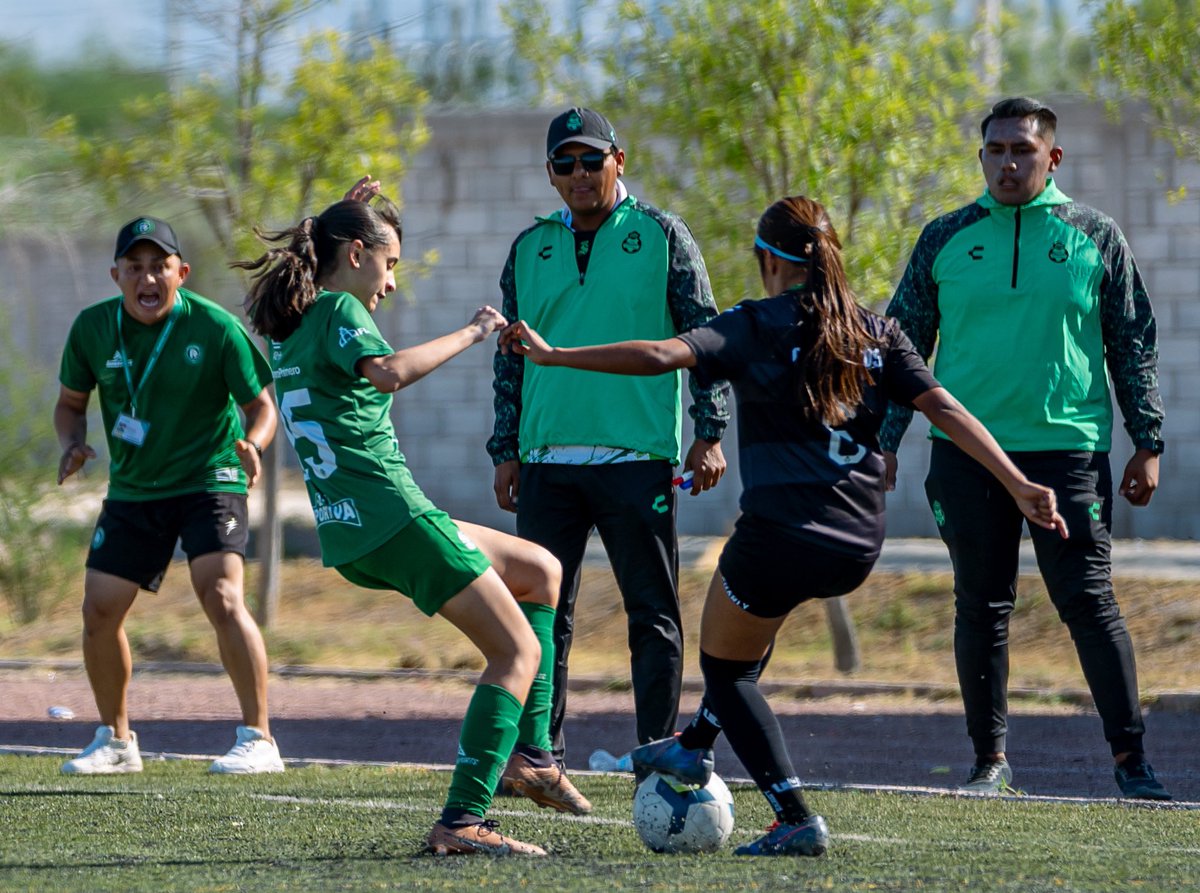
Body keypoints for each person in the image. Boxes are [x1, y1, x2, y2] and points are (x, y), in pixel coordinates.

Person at [500, 195, 1067, 856]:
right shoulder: (877, 331)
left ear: (769, 261)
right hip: (858, 541)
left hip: (777, 539)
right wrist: (1018, 481)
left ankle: (791, 813)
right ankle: (691, 746)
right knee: (748, 643)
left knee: (725, 670)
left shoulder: (752, 324)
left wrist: (556, 354)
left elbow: (660, 354)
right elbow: (945, 408)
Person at [237, 193, 589, 858]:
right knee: (518, 653)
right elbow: (390, 373)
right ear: (356, 254)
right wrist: (476, 330)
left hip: (353, 530)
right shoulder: (340, 308)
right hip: (391, 516)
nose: (391, 282)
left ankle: (532, 757)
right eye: (389, 263)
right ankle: (462, 819)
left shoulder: (295, 327)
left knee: (541, 570)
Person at [879, 97, 1170, 800]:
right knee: (980, 604)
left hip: (1067, 451)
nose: (1009, 164)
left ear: (1052, 158)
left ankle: (1132, 762)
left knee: (1088, 600)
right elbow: (900, 346)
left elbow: (1131, 342)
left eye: (1023, 151)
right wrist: (882, 442)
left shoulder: (1095, 237)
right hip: (966, 454)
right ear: (981, 158)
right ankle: (989, 762)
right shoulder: (944, 236)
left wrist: (1148, 442)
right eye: (997, 151)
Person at [488, 106, 731, 772]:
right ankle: (539, 752)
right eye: (564, 164)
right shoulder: (528, 246)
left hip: (636, 459)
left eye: (591, 160)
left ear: (618, 160)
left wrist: (709, 432)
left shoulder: (662, 234)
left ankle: (656, 748)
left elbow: (704, 336)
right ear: (550, 174)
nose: (578, 175)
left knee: (652, 613)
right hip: (545, 462)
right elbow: (510, 354)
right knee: (542, 615)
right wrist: (505, 446)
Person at [55, 216, 284, 775]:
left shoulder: (214, 326)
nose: (147, 278)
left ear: (181, 272)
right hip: (135, 488)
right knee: (99, 610)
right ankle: (115, 741)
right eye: (134, 267)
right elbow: (70, 403)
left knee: (221, 593)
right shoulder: (91, 329)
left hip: (210, 475)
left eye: (159, 265)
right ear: (116, 275)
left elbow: (262, 407)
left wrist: (252, 445)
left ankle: (259, 740)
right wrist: (73, 442)